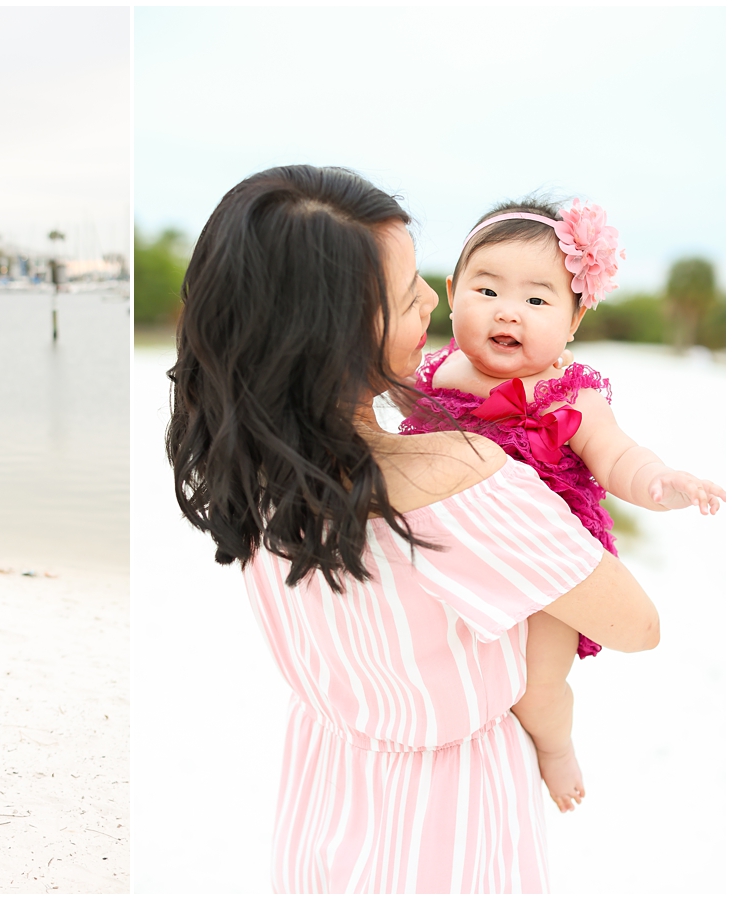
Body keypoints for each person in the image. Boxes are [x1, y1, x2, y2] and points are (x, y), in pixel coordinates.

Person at [165, 165, 660, 892]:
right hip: (454, 819)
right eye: (407, 298)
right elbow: (636, 623)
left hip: (324, 789)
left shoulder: (251, 468)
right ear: (335, 338)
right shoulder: (463, 478)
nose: (436, 298)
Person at [399, 198, 724, 812]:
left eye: (538, 300)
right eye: (487, 289)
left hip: (550, 562)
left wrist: (661, 482)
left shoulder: (562, 391)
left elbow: (618, 455)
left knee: (537, 681)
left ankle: (555, 747)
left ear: (575, 321)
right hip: (459, 547)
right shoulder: (435, 371)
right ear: (452, 290)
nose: (509, 313)